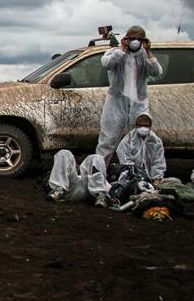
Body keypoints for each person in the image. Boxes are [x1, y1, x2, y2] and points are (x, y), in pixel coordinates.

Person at [95, 25, 162, 165]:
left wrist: (149, 51)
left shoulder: (145, 55)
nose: (135, 42)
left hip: (139, 104)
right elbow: (107, 64)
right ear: (126, 38)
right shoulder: (114, 52)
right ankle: (98, 175)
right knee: (107, 140)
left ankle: (138, 174)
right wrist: (121, 49)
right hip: (115, 103)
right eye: (132, 38)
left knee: (139, 140)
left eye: (139, 39)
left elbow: (157, 72)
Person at [114, 113, 166, 185]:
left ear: (150, 126)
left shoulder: (156, 141)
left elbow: (158, 161)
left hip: (151, 178)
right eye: (140, 125)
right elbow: (124, 157)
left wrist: (156, 179)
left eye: (146, 125)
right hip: (131, 178)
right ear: (136, 125)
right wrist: (135, 174)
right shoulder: (129, 139)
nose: (143, 128)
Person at [46, 152, 111, 207]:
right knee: (64, 153)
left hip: (92, 191)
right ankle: (58, 191)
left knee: (96, 157)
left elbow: (112, 188)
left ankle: (101, 196)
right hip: (71, 190)